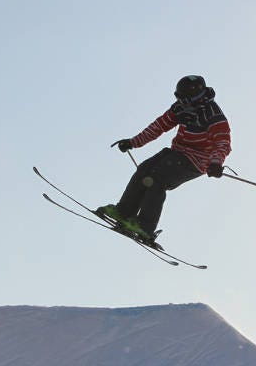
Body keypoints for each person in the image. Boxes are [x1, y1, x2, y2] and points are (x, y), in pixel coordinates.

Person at [97, 75, 231, 245]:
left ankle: (145, 226)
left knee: (157, 178)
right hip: (177, 152)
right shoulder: (180, 109)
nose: (180, 102)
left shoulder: (213, 114)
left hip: (198, 160)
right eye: (178, 98)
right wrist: (133, 142)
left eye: (184, 98)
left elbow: (223, 142)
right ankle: (124, 211)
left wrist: (215, 163)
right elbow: (159, 126)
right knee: (144, 169)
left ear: (195, 97)